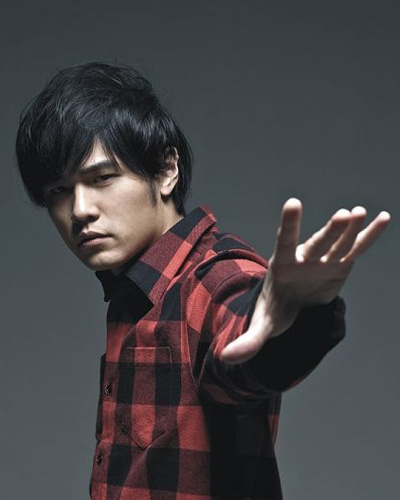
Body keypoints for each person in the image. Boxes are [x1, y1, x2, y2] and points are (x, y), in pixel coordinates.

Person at [15, 61, 391, 500]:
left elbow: (243, 351)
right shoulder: (136, 293)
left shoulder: (212, 276)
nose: (80, 210)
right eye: (59, 191)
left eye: (102, 178)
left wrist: (287, 318)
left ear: (166, 169)